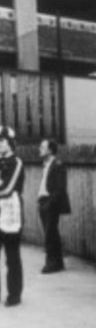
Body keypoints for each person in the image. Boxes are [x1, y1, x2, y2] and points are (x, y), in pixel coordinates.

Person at [38, 138, 71, 274]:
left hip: (50, 203)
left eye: (42, 147)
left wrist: (49, 203)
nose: (39, 149)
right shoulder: (46, 164)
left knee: (50, 233)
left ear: (50, 150)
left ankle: (51, 263)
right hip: (43, 201)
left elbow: (60, 188)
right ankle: (58, 262)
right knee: (51, 233)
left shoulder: (57, 164)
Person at [0, 126, 24, 306]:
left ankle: (14, 294)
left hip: (11, 212)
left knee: (12, 255)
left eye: (2, 141)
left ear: (10, 142)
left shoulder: (17, 162)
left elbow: (8, 189)